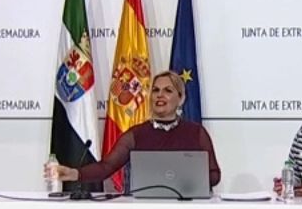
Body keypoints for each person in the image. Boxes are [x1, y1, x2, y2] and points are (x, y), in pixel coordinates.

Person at [48, 70, 221, 189]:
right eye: (155, 90)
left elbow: (214, 175)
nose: (160, 95)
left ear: (181, 99)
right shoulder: (136, 134)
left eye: (168, 91)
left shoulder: (197, 133)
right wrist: (75, 174)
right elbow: (106, 167)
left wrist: (190, 181)